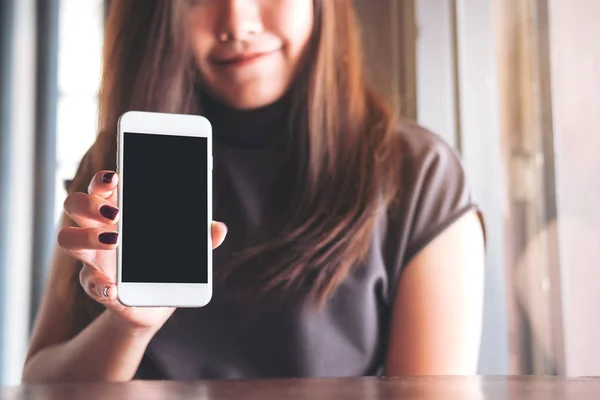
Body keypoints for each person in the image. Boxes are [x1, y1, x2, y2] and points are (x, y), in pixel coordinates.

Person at [22, 0, 485, 382]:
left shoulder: (418, 174)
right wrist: (128, 327)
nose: (237, 22)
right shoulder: (116, 166)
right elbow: (41, 384)